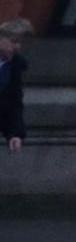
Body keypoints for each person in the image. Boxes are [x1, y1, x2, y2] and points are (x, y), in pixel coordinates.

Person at [0, 18, 29, 152]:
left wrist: (15, 133)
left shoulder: (14, 68)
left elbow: (14, 103)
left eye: (20, 42)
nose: (17, 46)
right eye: (13, 41)